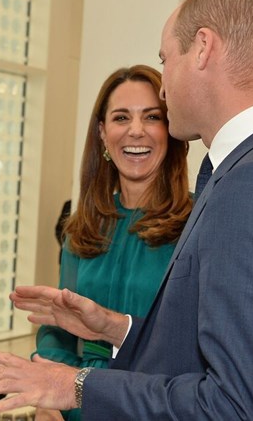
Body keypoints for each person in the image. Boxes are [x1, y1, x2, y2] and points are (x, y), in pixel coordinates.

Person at [0, 0, 253, 420]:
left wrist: (77, 384)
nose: (163, 88)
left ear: (202, 48)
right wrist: (114, 327)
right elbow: (207, 359)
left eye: (166, 59)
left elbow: (237, 407)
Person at [36, 65, 192, 421]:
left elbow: (192, 344)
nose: (136, 131)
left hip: (154, 405)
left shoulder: (197, 225)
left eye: (152, 117)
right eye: (121, 118)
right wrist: (48, 399)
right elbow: (57, 329)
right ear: (103, 134)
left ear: (170, 131)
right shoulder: (80, 228)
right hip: (76, 404)